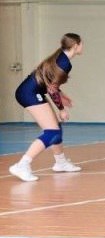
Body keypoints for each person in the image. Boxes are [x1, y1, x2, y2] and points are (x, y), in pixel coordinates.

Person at [8, 33, 84, 182]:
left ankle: (61, 162)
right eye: (82, 44)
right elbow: (51, 89)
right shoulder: (64, 63)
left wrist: (63, 95)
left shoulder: (61, 58)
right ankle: (22, 165)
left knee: (56, 128)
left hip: (31, 91)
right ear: (75, 46)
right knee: (52, 132)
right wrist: (61, 109)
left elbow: (50, 83)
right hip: (29, 93)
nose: (83, 47)